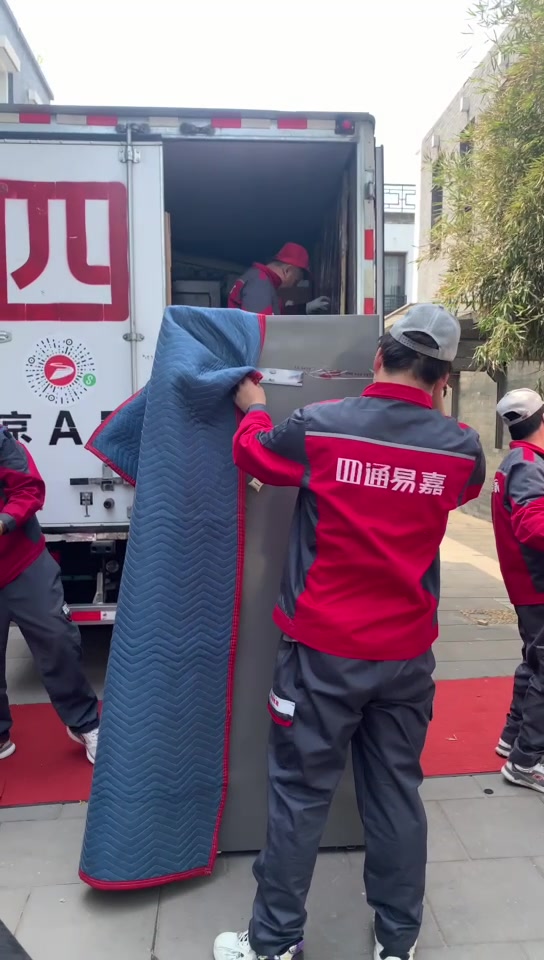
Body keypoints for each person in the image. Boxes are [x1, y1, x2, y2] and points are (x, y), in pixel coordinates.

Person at [213, 304, 485, 960]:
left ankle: (274, 942)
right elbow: (457, 494)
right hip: (406, 656)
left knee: (300, 794)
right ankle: (397, 940)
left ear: (378, 358)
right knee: (395, 794)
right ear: (444, 379)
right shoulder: (462, 449)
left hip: (322, 654)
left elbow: (254, 455)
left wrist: (254, 407)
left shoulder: (320, 426)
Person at [0, 426, 100, 763]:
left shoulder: (2, 443)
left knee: (57, 639)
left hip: (22, 561)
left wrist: (3, 521)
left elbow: (28, 489)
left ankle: (85, 722)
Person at [492, 388, 544, 792]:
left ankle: (512, 736)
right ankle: (526, 760)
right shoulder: (529, 466)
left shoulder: (517, 461)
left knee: (534, 662)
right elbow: (531, 525)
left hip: (528, 584)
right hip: (538, 584)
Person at [228, 242, 330, 316]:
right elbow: (258, 330)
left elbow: (279, 312)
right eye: (295, 281)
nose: (293, 286)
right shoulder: (260, 283)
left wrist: (306, 308)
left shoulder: (262, 281)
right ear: (287, 271)